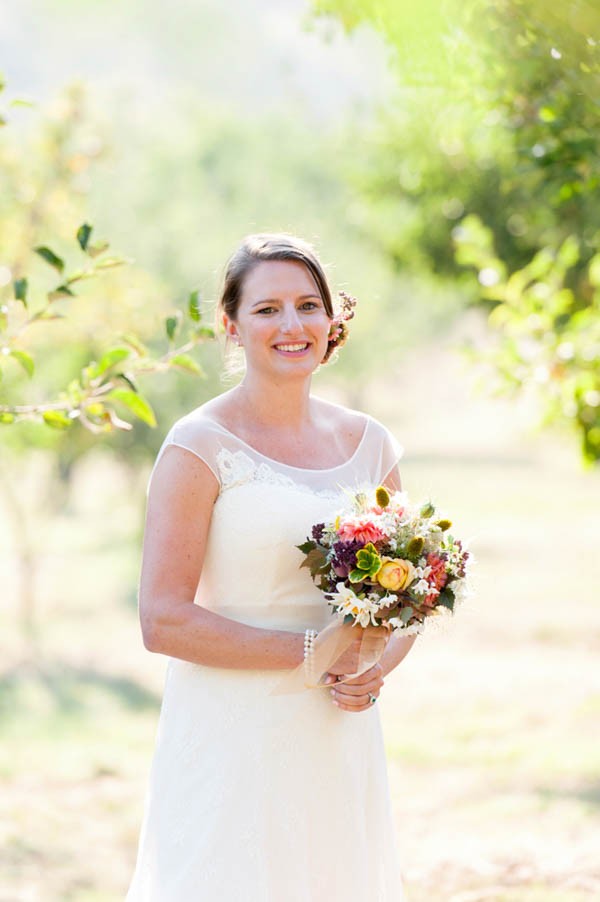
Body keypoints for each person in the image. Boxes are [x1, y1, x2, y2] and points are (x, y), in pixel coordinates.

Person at [125, 233, 418, 901]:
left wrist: (375, 665)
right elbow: (162, 619)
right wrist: (314, 650)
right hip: (230, 728)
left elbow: (411, 590)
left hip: (337, 727)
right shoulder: (199, 445)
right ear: (230, 325)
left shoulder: (369, 443)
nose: (292, 325)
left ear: (331, 321)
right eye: (267, 309)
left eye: (308, 305)